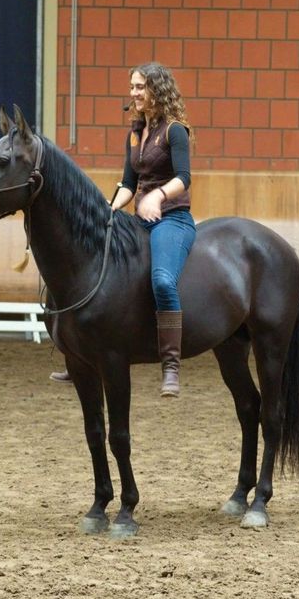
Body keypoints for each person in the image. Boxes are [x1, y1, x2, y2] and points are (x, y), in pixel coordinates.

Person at [111, 62, 196, 397]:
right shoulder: (134, 133)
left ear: (157, 90)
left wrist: (158, 196)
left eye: (140, 87)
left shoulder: (176, 130)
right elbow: (129, 184)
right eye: (132, 87)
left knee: (162, 279)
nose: (134, 93)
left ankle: (171, 366)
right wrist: (110, 209)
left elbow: (184, 178)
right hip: (139, 219)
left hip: (172, 218)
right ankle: (86, 351)